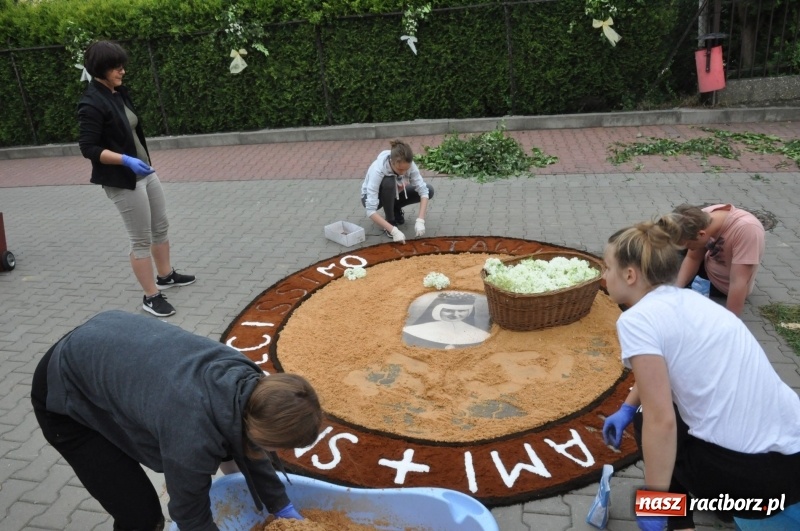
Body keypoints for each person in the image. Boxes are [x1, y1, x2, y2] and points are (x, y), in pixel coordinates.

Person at [31, 310, 323, 531]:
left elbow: (250, 448)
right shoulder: (191, 433)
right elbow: (188, 513)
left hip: (106, 347)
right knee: (140, 515)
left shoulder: (251, 383)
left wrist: (281, 507)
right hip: (63, 388)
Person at [599, 219, 800, 531]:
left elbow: (660, 420)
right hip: (794, 462)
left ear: (629, 274)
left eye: (606, 267)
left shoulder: (636, 320)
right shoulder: (692, 300)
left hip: (753, 481)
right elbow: (660, 372)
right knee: (652, 412)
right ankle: (722, 506)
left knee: (647, 420)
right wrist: (625, 406)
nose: (603, 275)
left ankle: (680, 524)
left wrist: (655, 500)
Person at [78, 41, 195, 318]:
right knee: (140, 239)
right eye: (117, 67)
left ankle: (165, 275)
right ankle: (151, 295)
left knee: (160, 225)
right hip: (123, 179)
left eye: (122, 66)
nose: (123, 71)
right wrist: (125, 160)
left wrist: (140, 162)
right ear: (101, 68)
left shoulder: (118, 93)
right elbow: (88, 148)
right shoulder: (91, 102)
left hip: (144, 172)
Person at [671, 203, 765, 316]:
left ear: (701, 234)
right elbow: (692, 258)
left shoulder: (748, 230)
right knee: (665, 252)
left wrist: (731, 323)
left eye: (689, 245)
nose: (688, 248)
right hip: (708, 267)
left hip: (723, 285)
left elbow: (738, 282)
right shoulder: (706, 216)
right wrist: (675, 291)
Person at [360, 139, 434, 244]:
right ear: (392, 162)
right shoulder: (378, 169)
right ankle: (390, 221)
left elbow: (423, 191)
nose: (403, 173)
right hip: (372, 198)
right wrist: (393, 230)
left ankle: (394, 208)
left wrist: (420, 220)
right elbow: (370, 210)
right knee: (389, 181)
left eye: (406, 169)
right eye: (400, 170)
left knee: (429, 189)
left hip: (395, 193)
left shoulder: (410, 165)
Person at [402, 292, 490, 349]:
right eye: (449, 311)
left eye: (462, 311)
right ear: (438, 311)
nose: (455, 315)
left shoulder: (480, 334)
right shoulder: (415, 331)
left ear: (469, 312)